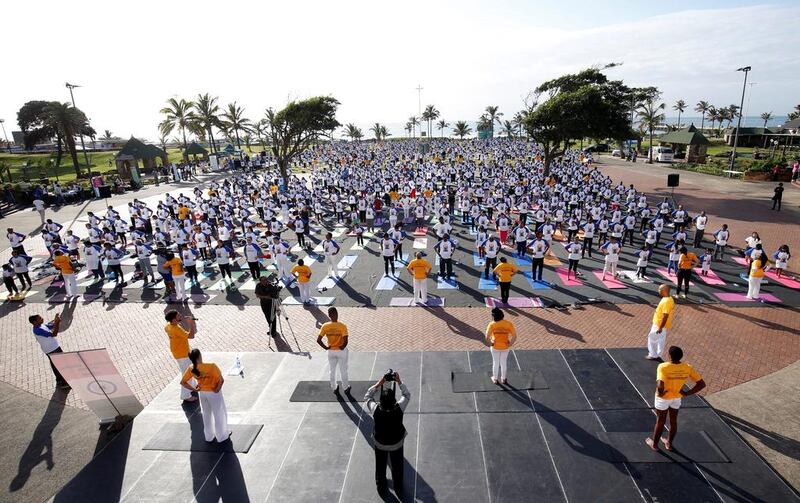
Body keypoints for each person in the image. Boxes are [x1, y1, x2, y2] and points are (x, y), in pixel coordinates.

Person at [646, 346, 705, 452]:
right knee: (673, 421)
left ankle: (654, 445)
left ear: (669, 356)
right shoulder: (688, 367)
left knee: (660, 421)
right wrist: (687, 393)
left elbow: (660, 386)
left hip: (663, 399)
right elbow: (701, 384)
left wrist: (661, 393)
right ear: (681, 356)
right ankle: (669, 443)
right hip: (677, 398)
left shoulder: (663, 366)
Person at [365, 371, 411, 496]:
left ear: (381, 401)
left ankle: (381, 484)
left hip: (380, 443)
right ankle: (398, 485)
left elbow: (368, 396)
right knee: (397, 465)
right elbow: (406, 395)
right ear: (394, 400)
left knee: (380, 464)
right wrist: (399, 382)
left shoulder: (375, 409)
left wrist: (380, 383)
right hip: (396, 443)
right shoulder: (399, 407)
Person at [181, 348, 229, 442]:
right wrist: (217, 389)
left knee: (206, 415)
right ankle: (222, 436)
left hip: (202, 394)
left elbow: (183, 382)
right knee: (219, 414)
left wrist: (194, 389)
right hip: (214, 393)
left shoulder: (191, 368)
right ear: (199, 356)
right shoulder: (211, 366)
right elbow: (221, 380)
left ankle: (209, 437)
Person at [29, 313, 70, 388]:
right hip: (52, 349)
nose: (42, 318)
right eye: (40, 318)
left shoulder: (41, 325)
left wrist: (55, 320)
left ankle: (59, 380)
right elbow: (54, 334)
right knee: (60, 364)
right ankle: (64, 383)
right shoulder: (38, 330)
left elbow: (51, 325)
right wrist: (57, 323)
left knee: (55, 364)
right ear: (34, 322)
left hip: (53, 347)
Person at [164, 310, 197, 402]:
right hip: (182, 354)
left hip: (178, 352)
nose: (181, 315)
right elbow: (191, 336)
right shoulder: (177, 329)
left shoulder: (168, 326)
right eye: (178, 315)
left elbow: (167, 330)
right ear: (174, 320)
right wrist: (191, 323)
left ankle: (192, 386)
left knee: (190, 369)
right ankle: (185, 395)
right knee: (187, 373)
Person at [317, 307, 349, 393]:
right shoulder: (342, 326)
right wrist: (341, 347)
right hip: (341, 351)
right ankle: (346, 388)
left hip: (331, 351)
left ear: (329, 315)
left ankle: (334, 388)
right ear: (337, 314)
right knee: (343, 370)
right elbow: (345, 341)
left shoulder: (325, 326)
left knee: (332, 370)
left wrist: (326, 347)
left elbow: (318, 340)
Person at [485, 307, 517, 384]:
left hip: (495, 346)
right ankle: (504, 378)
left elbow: (486, 337)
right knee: (503, 362)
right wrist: (510, 344)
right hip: (505, 346)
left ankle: (495, 379)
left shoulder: (492, 324)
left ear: (494, 316)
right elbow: (514, 336)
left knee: (495, 363)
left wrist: (491, 344)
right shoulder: (508, 324)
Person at [647, 284, 675, 360]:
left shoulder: (666, 301)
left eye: (660, 289)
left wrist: (660, 327)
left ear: (664, 291)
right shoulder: (668, 298)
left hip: (659, 325)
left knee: (652, 338)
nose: (658, 291)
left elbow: (665, 316)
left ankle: (653, 354)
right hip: (662, 325)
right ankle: (658, 354)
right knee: (660, 339)